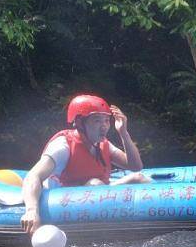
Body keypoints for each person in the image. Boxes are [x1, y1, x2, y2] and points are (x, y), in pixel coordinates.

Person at [21, 94, 148, 234]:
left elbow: (136, 166)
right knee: (95, 184)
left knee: (139, 178)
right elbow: (33, 176)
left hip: (99, 192)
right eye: (97, 121)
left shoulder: (103, 144)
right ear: (80, 123)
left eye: (106, 120)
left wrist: (123, 132)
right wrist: (32, 211)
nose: (104, 126)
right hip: (63, 199)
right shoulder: (63, 146)